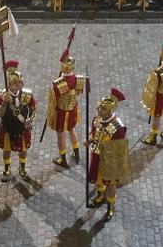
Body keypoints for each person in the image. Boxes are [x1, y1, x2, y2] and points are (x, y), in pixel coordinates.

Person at [86, 88, 129, 221]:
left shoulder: (118, 127)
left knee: (110, 185)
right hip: (97, 155)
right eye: (99, 107)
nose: (99, 110)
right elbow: (93, 133)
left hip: (110, 161)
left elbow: (119, 148)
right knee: (98, 180)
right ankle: (100, 195)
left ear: (110, 110)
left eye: (102, 109)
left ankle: (111, 205)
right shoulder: (97, 119)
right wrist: (89, 140)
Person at [0, 60, 36, 182]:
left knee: (23, 149)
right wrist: (4, 103)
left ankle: (22, 168)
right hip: (8, 126)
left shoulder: (27, 94)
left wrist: (30, 119)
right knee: (6, 150)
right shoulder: (1, 95)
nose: (20, 85)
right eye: (16, 83)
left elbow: (34, 108)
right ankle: (6, 169)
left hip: (22, 126)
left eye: (20, 82)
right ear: (10, 84)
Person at [47, 48, 86, 168]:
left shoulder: (57, 84)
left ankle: (62, 159)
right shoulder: (79, 79)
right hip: (73, 109)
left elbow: (52, 102)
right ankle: (77, 153)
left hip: (62, 112)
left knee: (61, 134)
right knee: (71, 129)